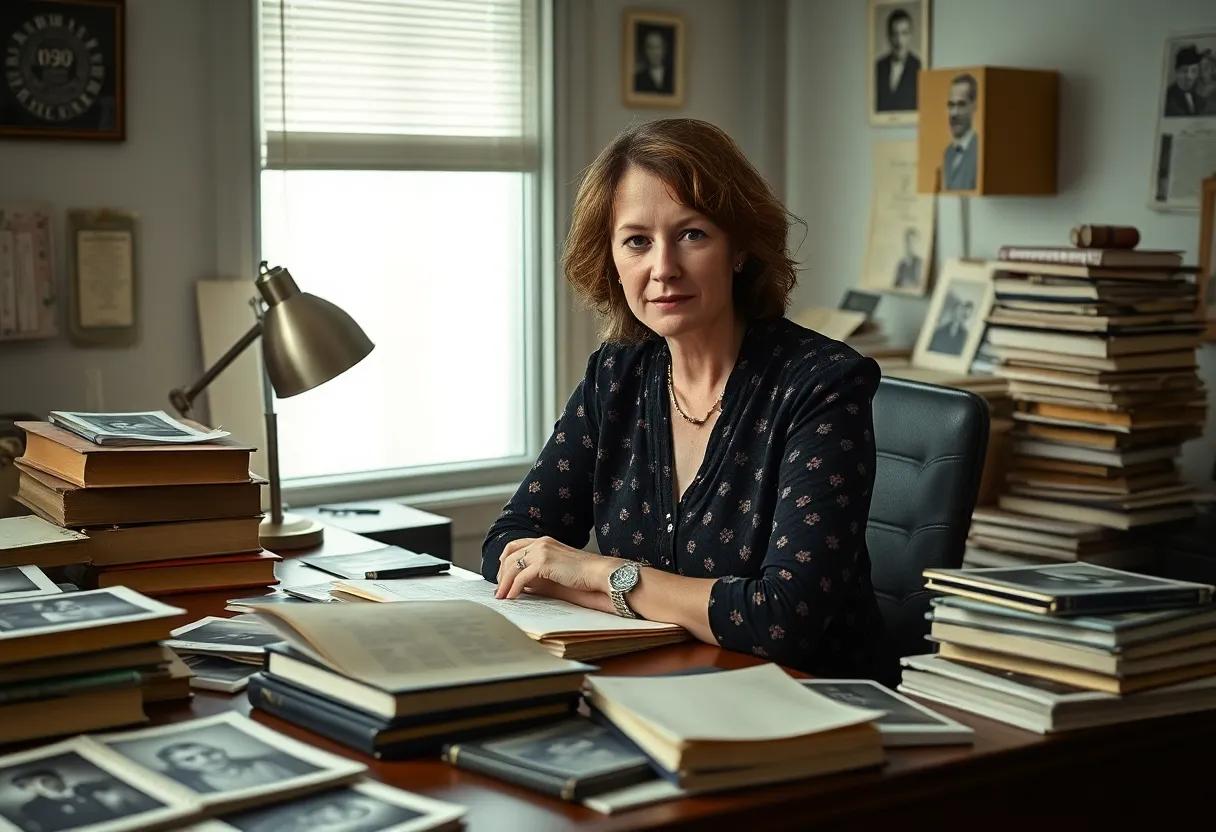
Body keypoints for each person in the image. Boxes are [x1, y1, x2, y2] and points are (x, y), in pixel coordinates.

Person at [483, 119, 887, 680]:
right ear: (612, 258)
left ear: (739, 248)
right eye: (637, 241)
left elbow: (781, 619)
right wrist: (686, 606)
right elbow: (509, 546)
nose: (663, 268)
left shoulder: (822, 385)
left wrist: (601, 575)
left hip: (811, 706)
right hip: (657, 686)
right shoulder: (616, 375)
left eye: (692, 234)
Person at [154, 741, 313, 793]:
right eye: (190, 759)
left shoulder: (264, 766)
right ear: (181, 767)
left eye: (209, 752)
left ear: (222, 751)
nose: (204, 760)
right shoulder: (196, 787)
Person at [12, 769, 126, 832]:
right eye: (30, 785)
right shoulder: (32, 808)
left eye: (45, 780)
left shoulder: (86, 788)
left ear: (59, 778)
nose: (41, 786)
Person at [874, 8, 921, 112]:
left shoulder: (919, 67)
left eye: (904, 33)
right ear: (889, 36)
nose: (899, 41)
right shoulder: (878, 67)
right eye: (895, 34)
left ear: (910, 35)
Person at [942, 73, 979, 191]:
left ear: (973, 106)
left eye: (961, 105)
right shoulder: (948, 153)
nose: (954, 113)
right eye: (951, 105)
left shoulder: (980, 151)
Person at [1165, 45, 1204, 117]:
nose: (1189, 76)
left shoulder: (1200, 99)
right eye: (1184, 71)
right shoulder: (1167, 98)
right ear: (1176, 71)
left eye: (1194, 71)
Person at [633, 27, 674, 94]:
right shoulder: (637, 79)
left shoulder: (675, 75)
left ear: (664, 49)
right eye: (650, 47)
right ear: (645, 50)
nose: (655, 52)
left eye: (658, 47)